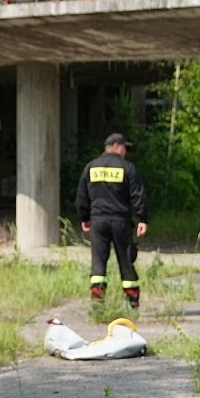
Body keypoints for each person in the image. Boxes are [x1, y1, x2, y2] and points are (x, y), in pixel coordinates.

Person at [76, 132, 149, 308]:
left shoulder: (91, 167)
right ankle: (133, 302)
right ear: (116, 146)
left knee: (98, 261)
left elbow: (81, 195)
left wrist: (84, 217)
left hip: (98, 220)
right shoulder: (127, 167)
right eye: (125, 148)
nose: (126, 152)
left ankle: (98, 302)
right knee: (125, 259)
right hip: (120, 220)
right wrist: (142, 218)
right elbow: (138, 195)